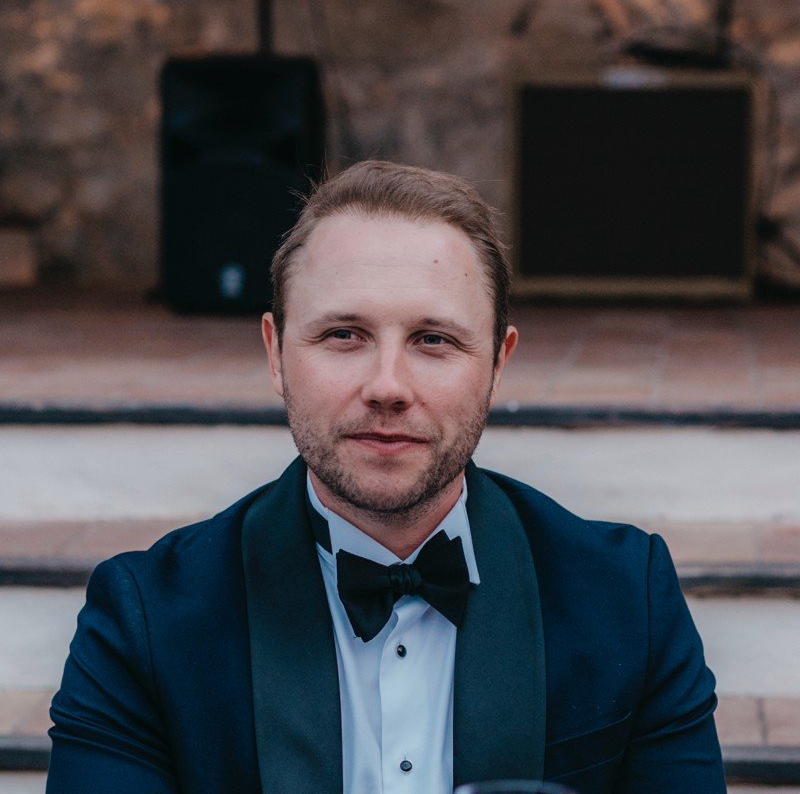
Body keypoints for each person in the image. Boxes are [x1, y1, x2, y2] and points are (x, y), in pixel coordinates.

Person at [47, 160, 726, 794]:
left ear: (498, 361)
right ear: (276, 353)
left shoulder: (625, 598)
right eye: (344, 334)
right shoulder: (146, 621)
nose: (388, 386)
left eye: (434, 340)